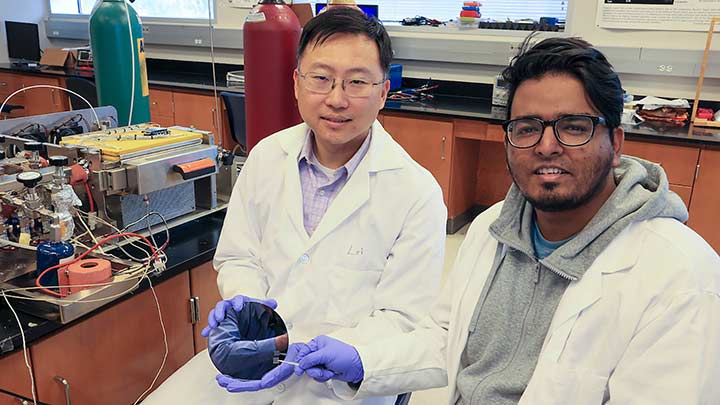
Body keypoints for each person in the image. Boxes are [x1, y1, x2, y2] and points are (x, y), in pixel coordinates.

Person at [261, 36, 720, 404]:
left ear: (615, 141)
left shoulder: (680, 276)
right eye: (526, 128)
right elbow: (448, 339)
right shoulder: (493, 230)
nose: (546, 146)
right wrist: (361, 360)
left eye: (574, 127)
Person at [142, 7, 447, 405]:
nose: (336, 99)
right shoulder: (268, 156)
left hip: (341, 384)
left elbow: (403, 319)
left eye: (357, 82)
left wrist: (308, 351)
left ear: (383, 93)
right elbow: (238, 257)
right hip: (254, 359)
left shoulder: (416, 192)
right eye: (321, 78)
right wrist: (246, 307)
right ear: (297, 84)